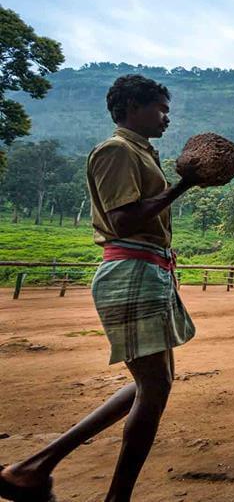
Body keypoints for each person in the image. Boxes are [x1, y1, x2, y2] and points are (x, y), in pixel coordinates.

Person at [0, 75, 200, 502]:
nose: (167, 117)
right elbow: (124, 220)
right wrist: (183, 186)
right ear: (131, 106)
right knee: (155, 387)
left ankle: (34, 468)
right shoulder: (116, 151)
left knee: (155, 384)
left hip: (149, 271)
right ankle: (110, 496)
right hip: (131, 271)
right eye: (160, 108)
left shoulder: (142, 153)